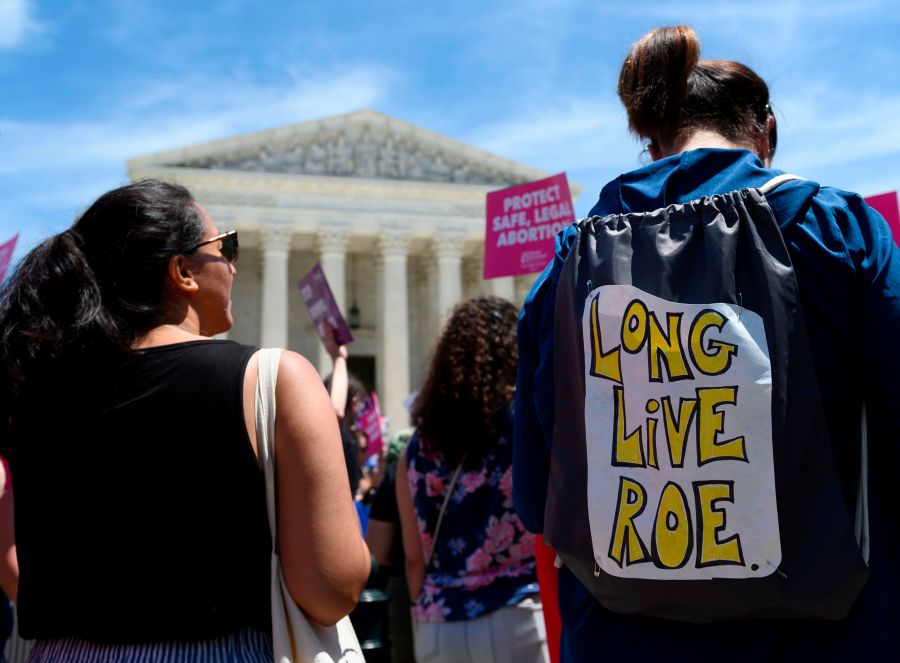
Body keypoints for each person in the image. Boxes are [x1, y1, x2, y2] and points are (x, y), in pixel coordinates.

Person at [514, 25, 900, 661]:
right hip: (826, 633)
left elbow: (535, 495)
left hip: (620, 637)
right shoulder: (840, 229)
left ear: (650, 139)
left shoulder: (564, 269)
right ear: (765, 131)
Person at [0, 180, 371, 661]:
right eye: (226, 248)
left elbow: (17, 570)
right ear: (183, 272)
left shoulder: (32, 396)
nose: (234, 266)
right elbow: (330, 590)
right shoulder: (276, 379)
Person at [397, 296, 548, 663]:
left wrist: (434, 603)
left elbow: (413, 558)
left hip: (441, 623)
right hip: (519, 610)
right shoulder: (526, 431)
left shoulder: (416, 448)